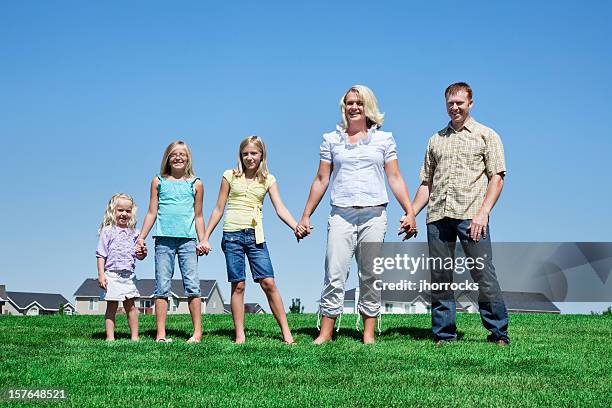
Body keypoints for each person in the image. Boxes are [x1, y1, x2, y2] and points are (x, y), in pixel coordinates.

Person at [297, 85, 418, 344]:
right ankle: (326, 332)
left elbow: (394, 177)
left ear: (368, 108)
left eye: (359, 103)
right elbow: (321, 179)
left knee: (371, 275)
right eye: (349, 103)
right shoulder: (331, 139)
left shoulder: (384, 140)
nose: (353, 107)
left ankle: (368, 334)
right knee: (335, 271)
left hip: (375, 214)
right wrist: (306, 215)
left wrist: (410, 211)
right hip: (341, 214)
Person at [410, 82, 510, 347]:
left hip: (472, 216)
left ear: (470, 103)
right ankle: (444, 334)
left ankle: (498, 332)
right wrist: (411, 213)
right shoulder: (435, 140)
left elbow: (497, 178)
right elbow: (426, 183)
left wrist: (483, 213)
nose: (454, 108)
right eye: (450, 103)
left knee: (483, 274)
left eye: (459, 103)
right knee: (441, 276)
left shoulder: (486, 135)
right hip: (438, 216)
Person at [201, 136, 297, 344]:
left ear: (262, 155)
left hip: (256, 236)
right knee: (239, 285)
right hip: (232, 235)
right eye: (245, 154)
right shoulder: (230, 176)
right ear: (240, 156)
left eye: (253, 153)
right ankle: (239, 335)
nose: (249, 157)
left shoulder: (268, 180)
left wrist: (295, 226)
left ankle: (287, 334)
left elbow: (280, 208)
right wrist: (206, 237)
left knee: (268, 282)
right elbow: (218, 208)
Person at [137, 141, 207, 343]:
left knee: (192, 286)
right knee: (162, 287)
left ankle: (197, 333)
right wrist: (141, 237)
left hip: (188, 241)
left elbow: (199, 215)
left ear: (188, 158)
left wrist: (203, 239)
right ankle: (161, 334)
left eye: (182, 154)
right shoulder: (158, 182)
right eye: (174, 154)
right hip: (164, 240)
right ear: (167, 158)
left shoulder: (196, 184)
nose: (178, 157)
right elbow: (152, 212)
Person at [96, 193, 147, 341]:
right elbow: (100, 254)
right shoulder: (107, 231)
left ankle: (135, 337)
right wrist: (101, 274)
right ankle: (110, 337)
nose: (124, 214)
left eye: (128, 211)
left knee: (130, 307)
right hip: (111, 275)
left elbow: (140, 256)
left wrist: (143, 252)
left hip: (128, 277)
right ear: (113, 211)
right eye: (120, 210)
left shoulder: (135, 233)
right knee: (111, 307)